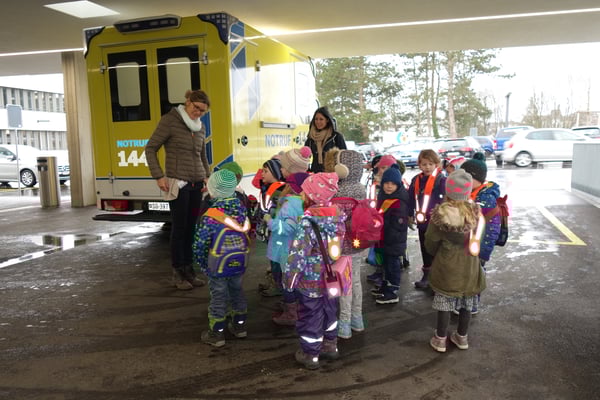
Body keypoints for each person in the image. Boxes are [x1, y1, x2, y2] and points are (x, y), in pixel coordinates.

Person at [145, 89, 211, 290]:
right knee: (179, 229)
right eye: (196, 108)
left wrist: (207, 176)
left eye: (203, 111)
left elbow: (202, 154)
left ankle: (189, 270)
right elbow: (150, 148)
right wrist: (158, 176)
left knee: (191, 228)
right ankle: (178, 272)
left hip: (196, 184)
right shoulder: (170, 121)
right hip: (178, 184)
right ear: (188, 101)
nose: (198, 113)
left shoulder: (200, 127)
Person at [283, 173, 345, 370]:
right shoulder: (337, 217)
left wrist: (290, 280)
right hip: (331, 277)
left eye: (304, 192)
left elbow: (298, 255)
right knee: (330, 311)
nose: (301, 195)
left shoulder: (308, 223)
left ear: (313, 196)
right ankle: (330, 346)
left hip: (311, 280)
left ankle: (310, 354)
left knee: (311, 315)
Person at [426, 169, 486, 352]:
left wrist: (435, 253)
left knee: (445, 302)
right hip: (470, 267)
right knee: (467, 302)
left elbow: (430, 241)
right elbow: (479, 239)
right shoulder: (475, 214)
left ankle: (440, 339)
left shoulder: (440, 214)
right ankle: (462, 337)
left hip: (447, 266)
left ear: (448, 191)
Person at [193, 169, 249, 347]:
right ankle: (240, 326)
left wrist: (204, 264)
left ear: (212, 191)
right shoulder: (241, 209)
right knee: (237, 292)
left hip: (217, 264)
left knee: (218, 296)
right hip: (239, 261)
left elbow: (200, 244)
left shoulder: (211, 216)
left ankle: (216, 333)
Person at [324, 148, 367, 338]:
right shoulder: (361, 188)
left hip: (340, 245)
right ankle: (357, 319)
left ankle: (344, 324)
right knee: (355, 281)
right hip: (358, 243)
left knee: (343, 283)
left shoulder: (336, 190)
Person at [459, 152, 501, 314]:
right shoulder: (471, 193)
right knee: (466, 271)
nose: (463, 182)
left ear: (477, 179)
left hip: (481, 243)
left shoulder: (486, 197)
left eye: (466, 178)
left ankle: (473, 302)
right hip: (470, 241)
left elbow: (475, 219)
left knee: (476, 272)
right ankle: (464, 298)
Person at [268, 172, 310, 326]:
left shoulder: (289, 204)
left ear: (290, 187)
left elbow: (287, 228)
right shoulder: (304, 203)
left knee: (288, 282)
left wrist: (270, 222)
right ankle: (296, 307)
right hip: (296, 248)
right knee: (295, 280)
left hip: (285, 249)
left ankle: (291, 313)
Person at [408, 149, 447, 291]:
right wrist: (409, 214)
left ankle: (439, 279)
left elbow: (446, 201)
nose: (427, 167)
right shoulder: (416, 180)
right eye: (424, 164)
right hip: (422, 223)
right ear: (419, 165)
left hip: (437, 224)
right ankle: (427, 275)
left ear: (437, 164)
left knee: (436, 250)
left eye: (431, 164)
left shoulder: (441, 180)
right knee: (425, 249)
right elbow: (410, 198)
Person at [371, 165, 409, 304]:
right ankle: (386, 285)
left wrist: (387, 235)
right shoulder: (384, 196)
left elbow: (398, 225)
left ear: (398, 185)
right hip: (384, 239)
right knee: (385, 265)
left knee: (393, 266)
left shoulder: (399, 202)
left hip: (393, 241)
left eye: (393, 183)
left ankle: (392, 290)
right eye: (386, 183)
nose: (389, 186)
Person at [304, 107, 346, 173]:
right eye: (316, 119)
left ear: (327, 120)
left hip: (333, 174)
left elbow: (344, 157)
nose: (318, 122)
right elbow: (304, 156)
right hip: (315, 174)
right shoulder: (311, 138)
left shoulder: (336, 137)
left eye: (321, 119)